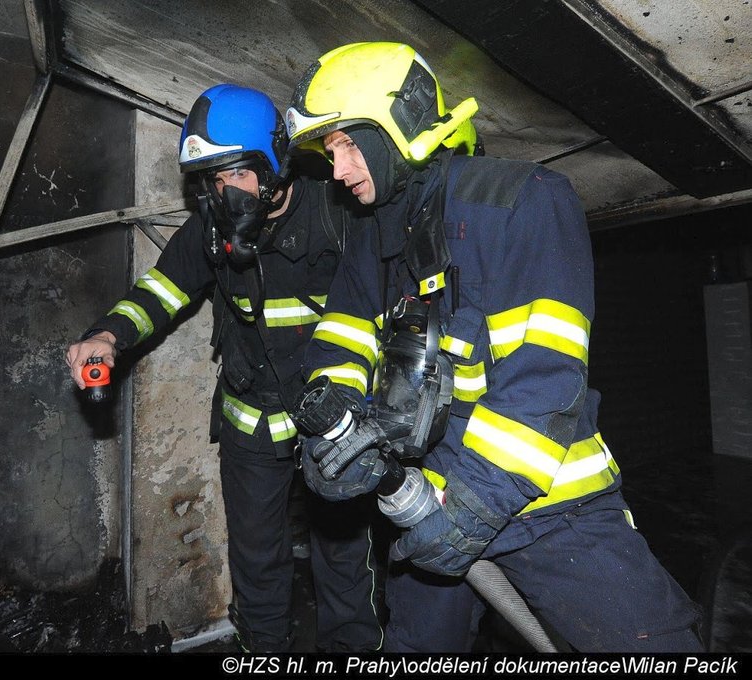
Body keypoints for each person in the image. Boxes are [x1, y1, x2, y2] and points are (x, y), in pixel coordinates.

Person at [283, 42, 704, 652]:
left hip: (548, 510)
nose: (339, 170)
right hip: (420, 498)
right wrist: (337, 441)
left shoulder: (524, 199)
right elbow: (341, 341)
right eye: (329, 153)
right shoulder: (372, 235)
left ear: (399, 125)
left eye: (347, 144)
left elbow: (546, 380)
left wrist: (473, 507)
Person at [66, 84, 381, 653]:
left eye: (235, 174)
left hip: (335, 423)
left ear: (274, 162)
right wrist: (108, 335)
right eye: (212, 180)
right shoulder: (211, 227)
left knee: (344, 563)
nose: (223, 192)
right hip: (252, 421)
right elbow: (162, 290)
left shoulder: (338, 213)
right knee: (259, 560)